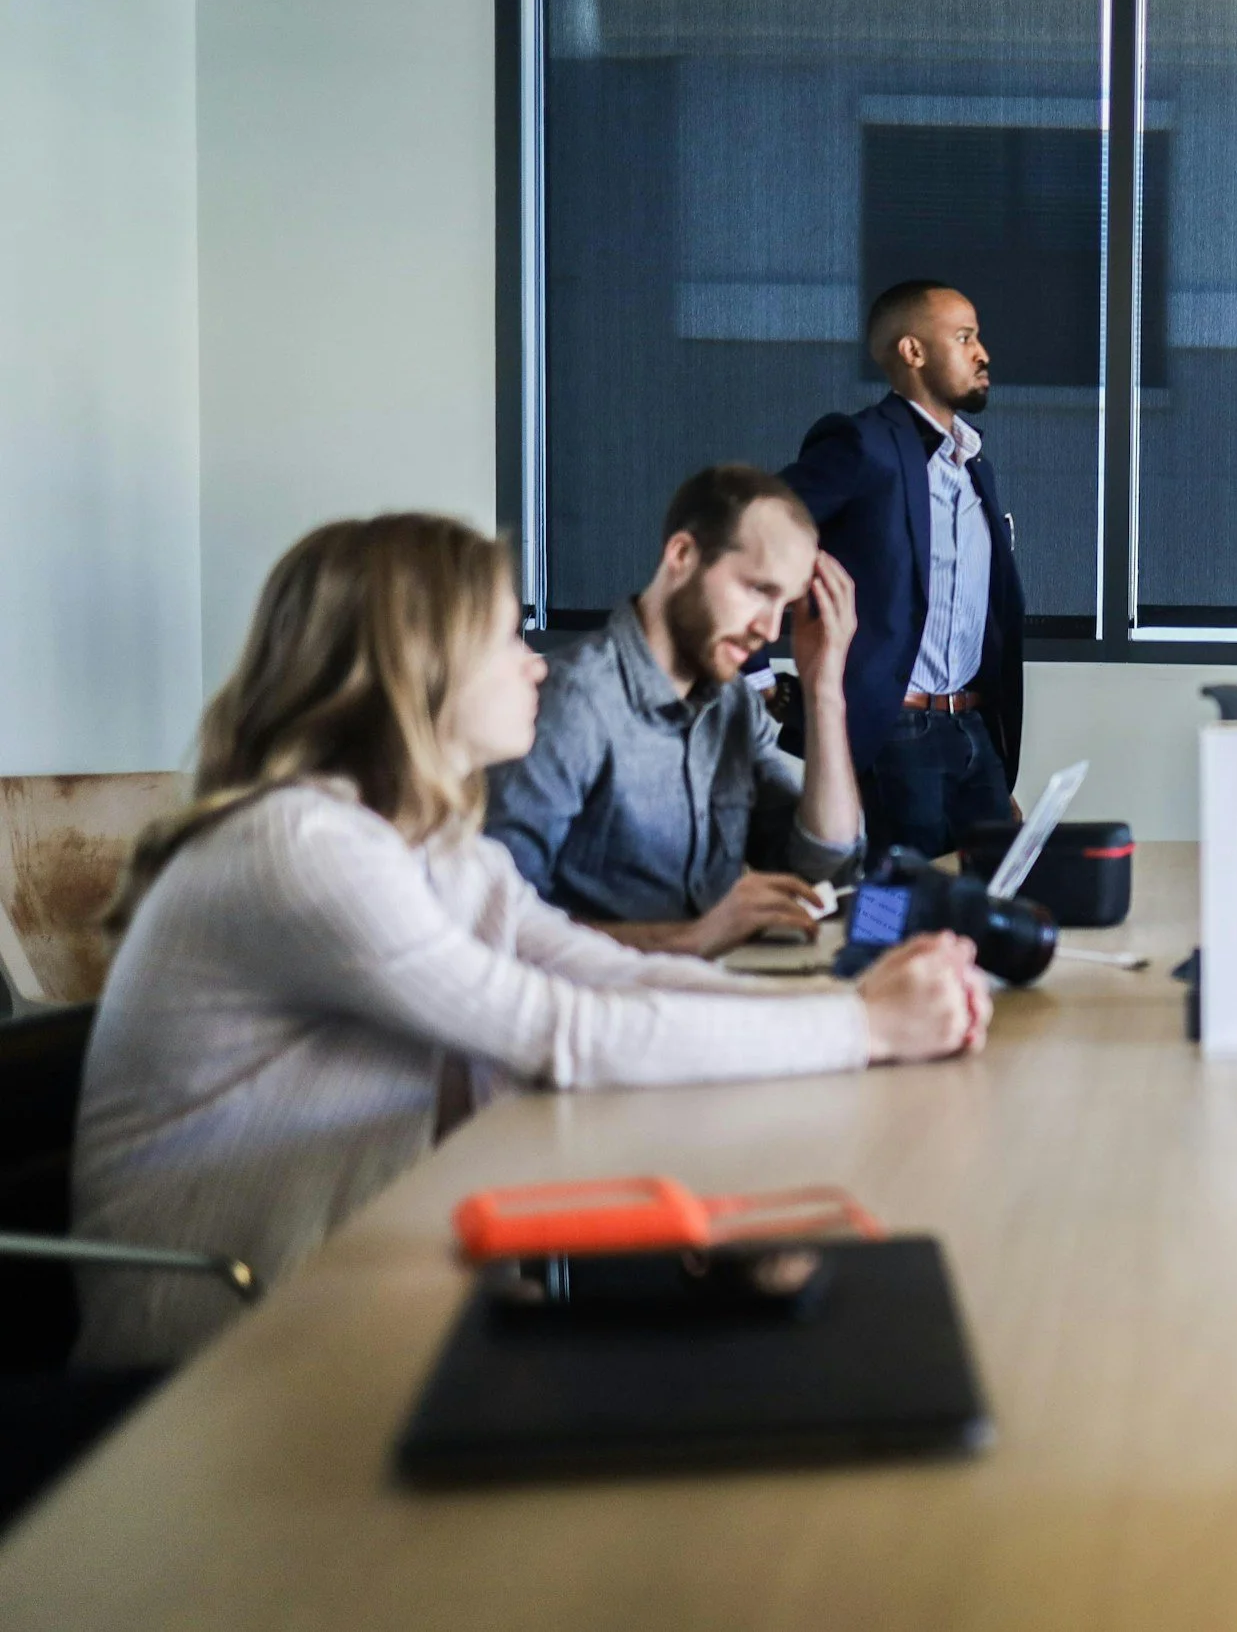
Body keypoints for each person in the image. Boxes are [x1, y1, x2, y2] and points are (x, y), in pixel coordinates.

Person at [72, 514, 991, 1368]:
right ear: (418, 663)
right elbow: (564, 1032)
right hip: (215, 1358)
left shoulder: (421, 846)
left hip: (351, 1290)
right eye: (508, 639)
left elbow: (608, 973)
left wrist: (849, 1012)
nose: (537, 666)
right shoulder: (303, 849)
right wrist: (864, 1031)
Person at [487, 465, 866, 957]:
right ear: (682, 555)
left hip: (702, 997)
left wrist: (825, 690)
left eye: (786, 607)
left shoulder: (734, 707)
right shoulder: (571, 702)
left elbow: (823, 866)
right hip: (598, 1013)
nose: (771, 631)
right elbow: (496, 925)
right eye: (758, 591)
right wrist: (689, 940)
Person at [782, 280, 1025, 861]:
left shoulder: (973, 467)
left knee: (993, 899)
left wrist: (985, 743)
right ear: (913, 352)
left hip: (971, 728)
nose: (982, 353)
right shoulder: (862, 445)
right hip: (896, 732)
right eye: (964, 337)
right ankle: (861, 958)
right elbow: (751, 530)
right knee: (897, 909)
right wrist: (760, 680)